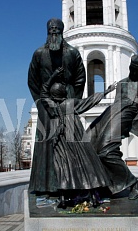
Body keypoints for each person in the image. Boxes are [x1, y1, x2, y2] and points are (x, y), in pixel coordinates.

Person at [40, 67, 116, 208]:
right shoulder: (70, 103)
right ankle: (93, 195)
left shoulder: (51, 106)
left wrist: (54, 75)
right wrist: (106, 91)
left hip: (60, 138)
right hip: (76, 136)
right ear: (63, 94)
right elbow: (90, 101)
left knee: (62, 165)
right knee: (87, 162)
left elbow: (43, 92)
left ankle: (63, 198)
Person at [28, 18, 86, 193]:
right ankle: (44, 186)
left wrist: (72, 101)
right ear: (47, 33)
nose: (54, 35)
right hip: (46, 105)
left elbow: (80, 79)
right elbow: (32, 81)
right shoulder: (39, 54)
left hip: (67, 101)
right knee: (46, 143)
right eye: (50, 32)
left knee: (72, 141)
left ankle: (72, 185)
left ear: (62, 33)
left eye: (57, 32)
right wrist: (41, 104)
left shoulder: (72, 53)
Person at [87, 54, 138, 200]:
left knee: (106, 152)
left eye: (137, 70)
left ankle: (132, 183)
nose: (133, 72)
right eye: (132, 69)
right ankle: (106, 185)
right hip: (111, 113)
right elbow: (117, 103)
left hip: (125, 116)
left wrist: (129, 127)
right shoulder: (123, 83)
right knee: (87, 143)